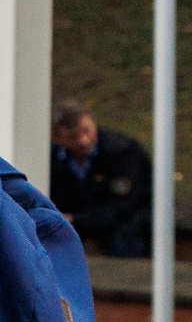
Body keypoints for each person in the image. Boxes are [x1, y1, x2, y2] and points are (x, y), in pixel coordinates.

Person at [49, 97, 154, 257]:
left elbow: (123, 206)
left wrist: (76, 220)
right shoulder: (52, 159)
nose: (83, 141)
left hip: (126, 223)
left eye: (86, 131)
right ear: (58, 139)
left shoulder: (122, 153)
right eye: (73, 137)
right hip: (76, 223)